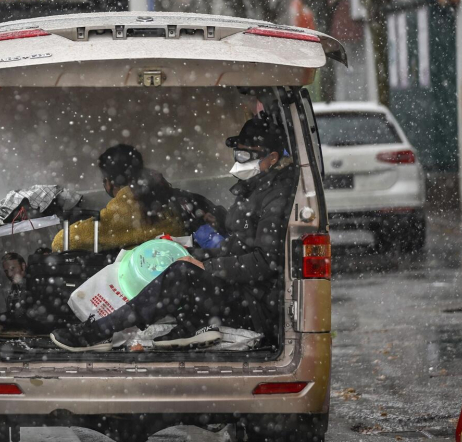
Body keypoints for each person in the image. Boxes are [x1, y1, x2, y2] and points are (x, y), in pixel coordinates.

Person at [50, 115, 296, 352]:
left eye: (247, 155)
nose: (240, 161)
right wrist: (194, 254)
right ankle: (191, 326)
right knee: (177, 261)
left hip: (255, 304)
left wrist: (206, 266)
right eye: (238, 154)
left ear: (272, 157)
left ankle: (97, 332)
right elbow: (238, 245)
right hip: (241, 292)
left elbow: (266, 261)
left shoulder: (277, 196)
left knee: (182, 273)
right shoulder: (257, 189)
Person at [51, 144, 210, 253]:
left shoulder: (130, 204)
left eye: (104, 179)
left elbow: (62, 241)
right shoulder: (161, 190)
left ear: (111, 181)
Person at [0, 252, 29, 328]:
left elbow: (22, 317)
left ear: (23, 266)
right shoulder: (16, 286)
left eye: (12, 268)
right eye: (6, 271)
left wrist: (1, 320)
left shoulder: (31, 285)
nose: (9, 274)